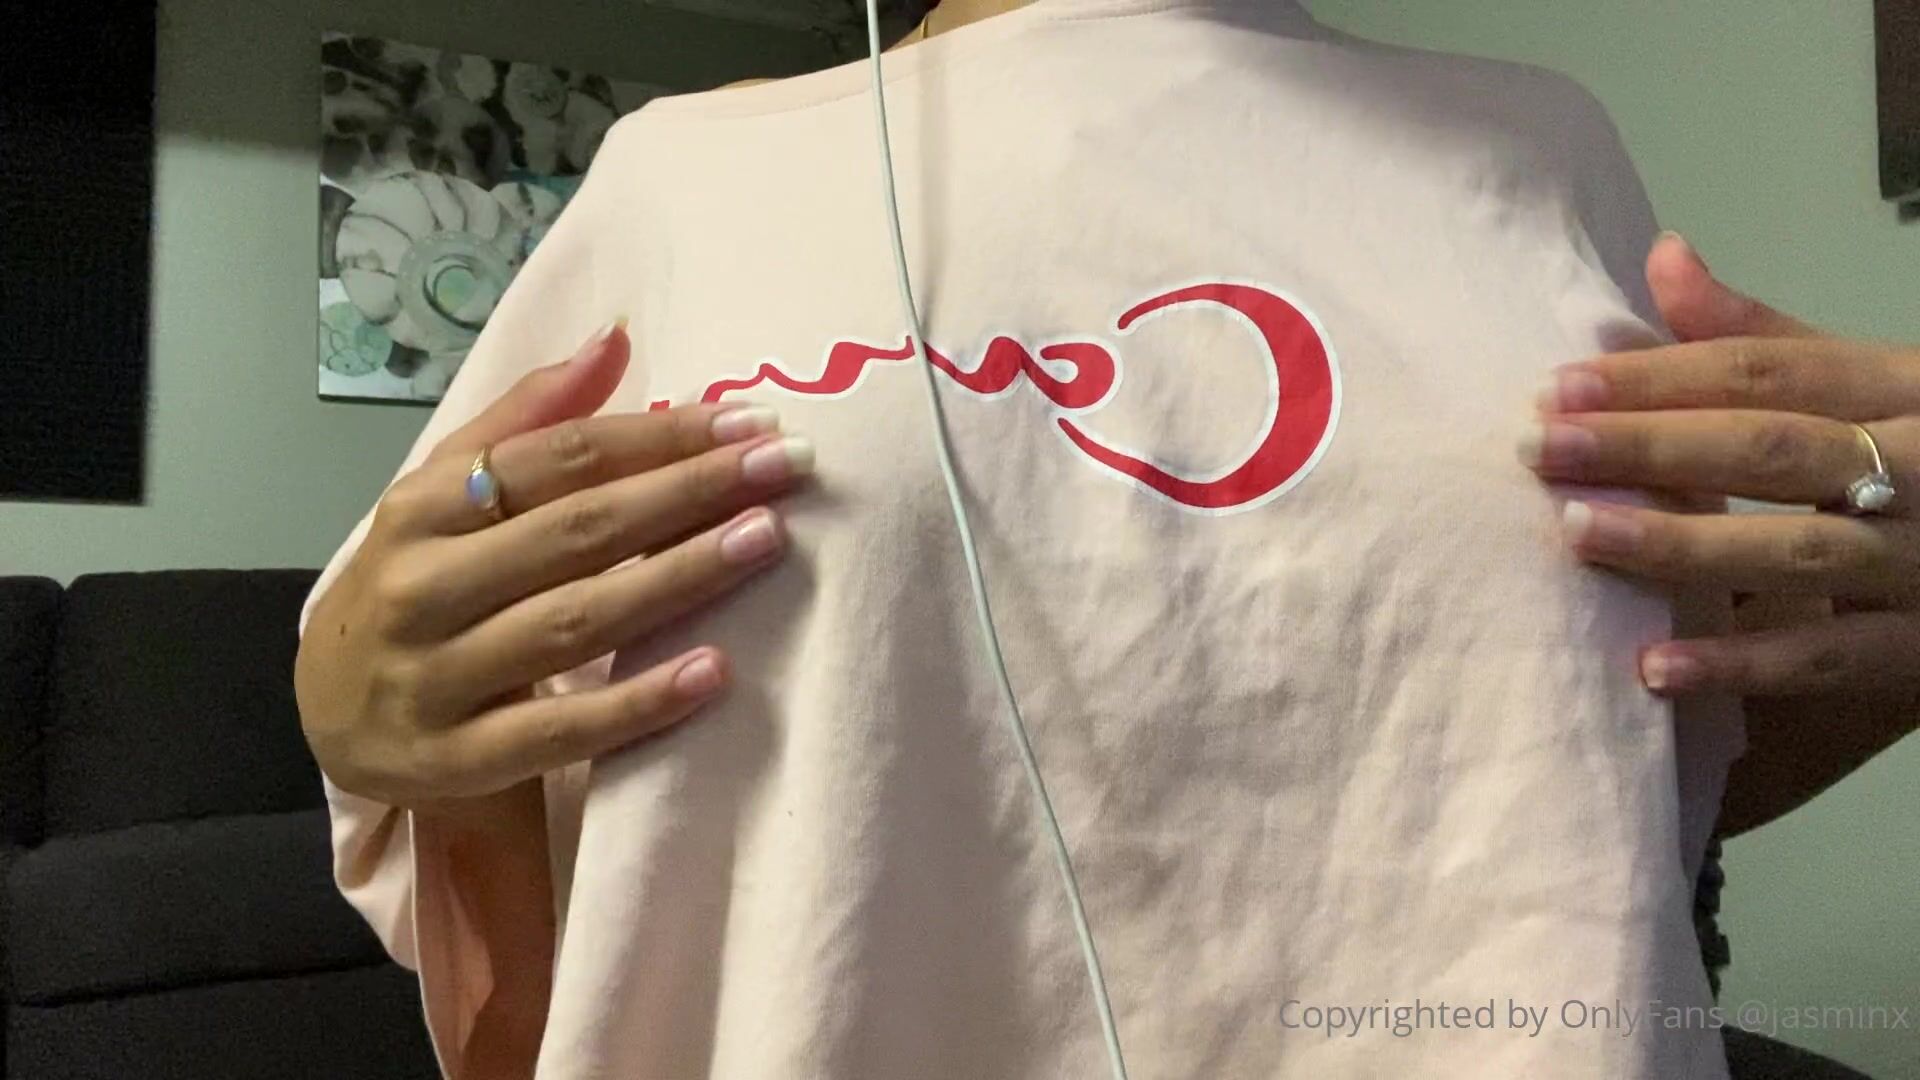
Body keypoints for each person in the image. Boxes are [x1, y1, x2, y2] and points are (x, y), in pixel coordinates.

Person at [294, 0, 1918, 1076]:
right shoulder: (687, 178)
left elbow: (1613, 782)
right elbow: (525, 872)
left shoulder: (1542, 149)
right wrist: (371, 724)